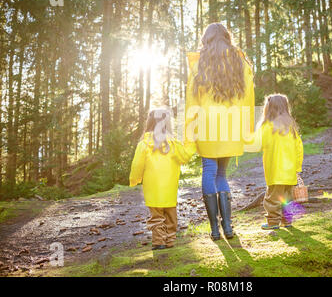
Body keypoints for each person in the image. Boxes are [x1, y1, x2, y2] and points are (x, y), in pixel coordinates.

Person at [185, 23, 255, 240]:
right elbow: (249, 99)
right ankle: (228, 227)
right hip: (231, 125)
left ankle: (214, 229)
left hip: (206, 124)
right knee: (222, 174)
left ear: (206, 39)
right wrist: (247, 129)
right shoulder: (240, 61)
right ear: (227, 37)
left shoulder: (199, 64)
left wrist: (189, 134)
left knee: (209, 169)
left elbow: (191, 103)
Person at [130, 109, 195, 250]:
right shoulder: (174, 144)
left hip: (152, 188)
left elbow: (137, 165)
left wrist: (134, 179)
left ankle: (159, 241)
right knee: (171, 215)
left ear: (149, 123)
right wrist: (192, 143)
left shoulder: (144, 144)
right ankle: (170, 240)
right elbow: (185, 156)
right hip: (170, 188)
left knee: (156, 215)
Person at [246, 94, 303, 229]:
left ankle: (272, 223)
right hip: (289, 173)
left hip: (275, 172)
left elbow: (256, 145)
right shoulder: (291, 128)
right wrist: (297, 169)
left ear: (269, 108)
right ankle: (287, 221)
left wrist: (241, 144)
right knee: (288, 199)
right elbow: (299, 149)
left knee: (272, 198)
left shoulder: (267, 127)